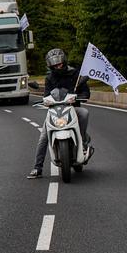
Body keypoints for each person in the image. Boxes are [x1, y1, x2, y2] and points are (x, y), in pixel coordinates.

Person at [27, 48, 91, 179]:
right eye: (54, 64)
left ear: (64, 61)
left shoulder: (75, 74)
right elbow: (46, 95)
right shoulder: (50, 78)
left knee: (84, 113)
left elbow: (85, 92)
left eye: (60, 63)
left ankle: (83, 142)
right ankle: (37, 168)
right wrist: (46, 101)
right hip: (55, 110)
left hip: (72, 108)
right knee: (43, 136)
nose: (58, 66)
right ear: (50, 66)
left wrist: (79, 96)